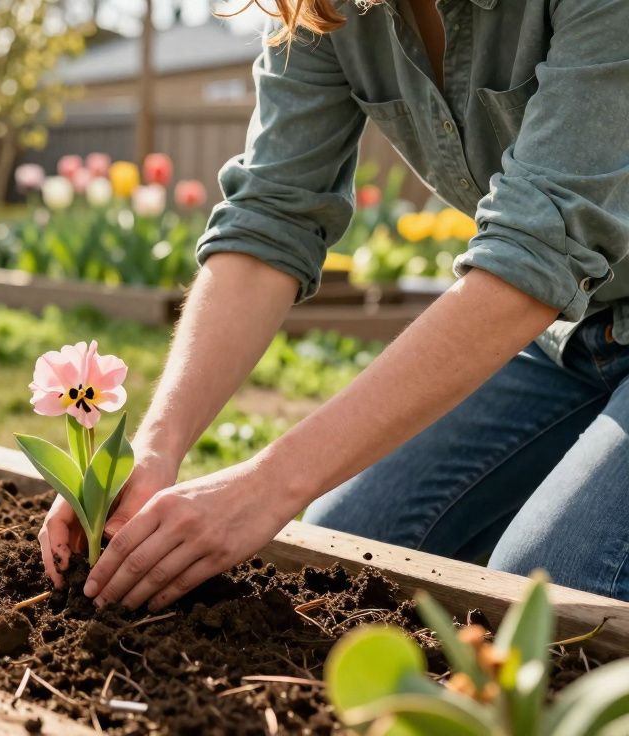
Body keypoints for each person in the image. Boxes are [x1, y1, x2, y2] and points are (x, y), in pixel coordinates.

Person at [39, 0, 629, 609]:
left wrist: (268, 485)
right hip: (572, 328)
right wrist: (156, 445)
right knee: (347, 548)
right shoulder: (327, 9)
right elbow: (271, 214)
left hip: (547, 297)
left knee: (557, 594)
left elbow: (540, 249)